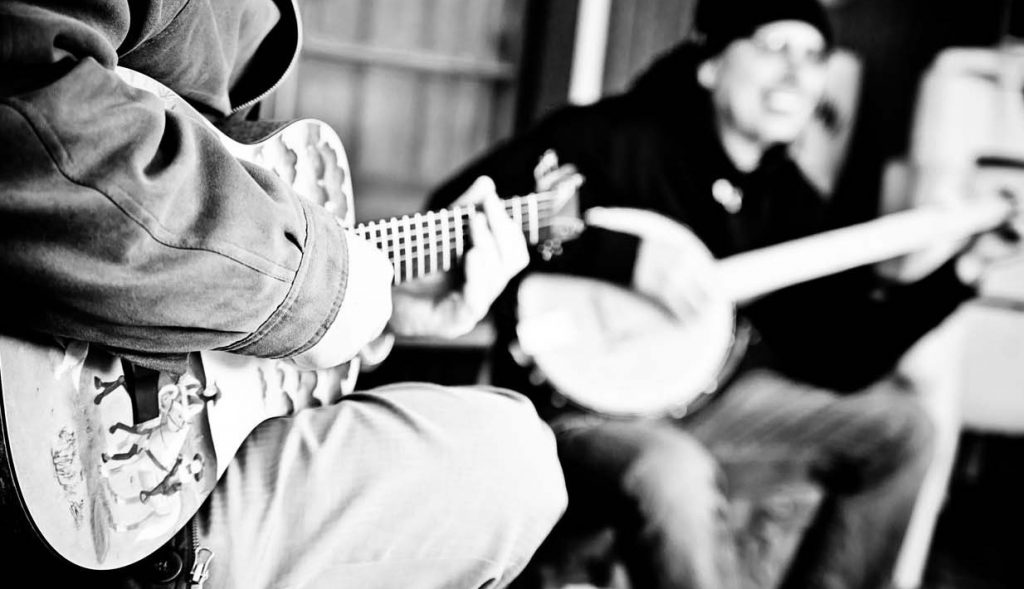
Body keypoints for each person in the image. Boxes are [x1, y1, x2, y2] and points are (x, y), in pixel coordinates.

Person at [426, 0, 1024, 587]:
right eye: (774, 47)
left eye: (814, 55)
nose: (796, 71)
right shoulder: (610, 139)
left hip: (707, 408)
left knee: (903, 429)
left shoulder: (788, 201)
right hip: (573, 418)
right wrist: (626, 258)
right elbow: (453, 219)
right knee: (672, 471)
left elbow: (839, 359)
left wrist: (962, 273)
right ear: (710, 64)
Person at [0, 1, 565, 588]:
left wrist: (380, 307)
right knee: (511, 464)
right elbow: (29, 113)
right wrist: (315, 289)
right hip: (57, 449)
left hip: (162, 448)